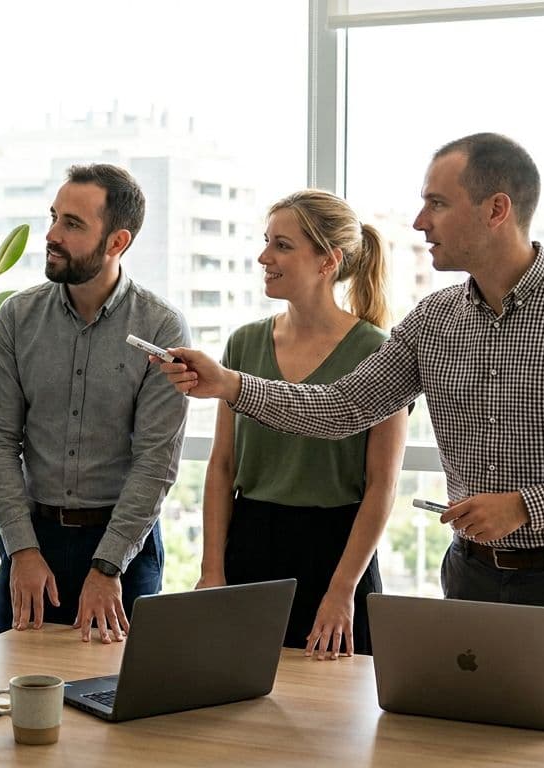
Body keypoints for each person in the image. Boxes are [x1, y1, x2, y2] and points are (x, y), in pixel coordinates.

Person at [158, 133, 544, 679]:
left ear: (496, 209)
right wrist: (232, 385)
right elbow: (343, 408)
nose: (419, 222)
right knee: (461, 750)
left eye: (437, 204)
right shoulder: (433, 321)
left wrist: (525, 506)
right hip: (469, 577)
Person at [0, 163, 190, 644]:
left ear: (117, 242)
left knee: (115, 702)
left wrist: (108, 563)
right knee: (19, 695)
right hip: (33, 543)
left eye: (72, 224)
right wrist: (23, 551)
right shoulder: (16, 318)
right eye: (54, 217)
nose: (52, 234)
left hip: (123, 549)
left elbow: (156, 460)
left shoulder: (161, 328)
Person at [199, 190, 407, 660]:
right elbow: (221, 466)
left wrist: (341, 591)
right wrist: (213, 569)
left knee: (332, 721)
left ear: (327, 261)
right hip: (250, 547)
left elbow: (381, 487)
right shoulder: (244, 343)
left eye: (282, 245)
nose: (263, 257)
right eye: (266, 241)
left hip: (338, 555)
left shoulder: (378, 351)